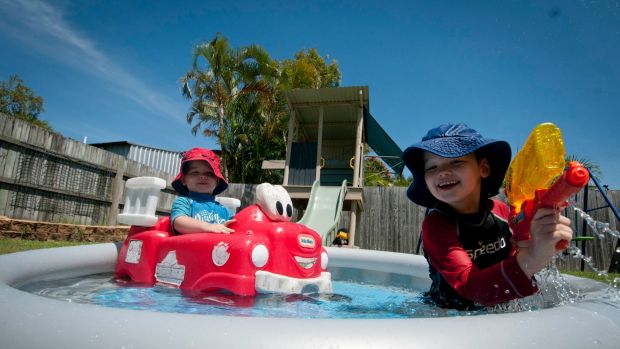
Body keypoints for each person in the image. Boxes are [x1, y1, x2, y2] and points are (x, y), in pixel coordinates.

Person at [402, 123, 573, 310]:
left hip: (499, 303)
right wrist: (534, 257)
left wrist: (541, 236)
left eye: (456, 161)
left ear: (483, 169)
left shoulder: (501, 212)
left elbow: (519, 254)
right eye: (432, 167)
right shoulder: (436, 226)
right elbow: (468, 286)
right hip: (450, 313)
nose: (442, 172)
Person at [170, 147, 235, 234]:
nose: (203, 177)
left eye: (209, 173)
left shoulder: (226, 211)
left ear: (217, 181)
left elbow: (239, 226)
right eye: (195, 172)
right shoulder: (184, 202)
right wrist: (209, 227)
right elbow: (179, 222)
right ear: (183, 180)